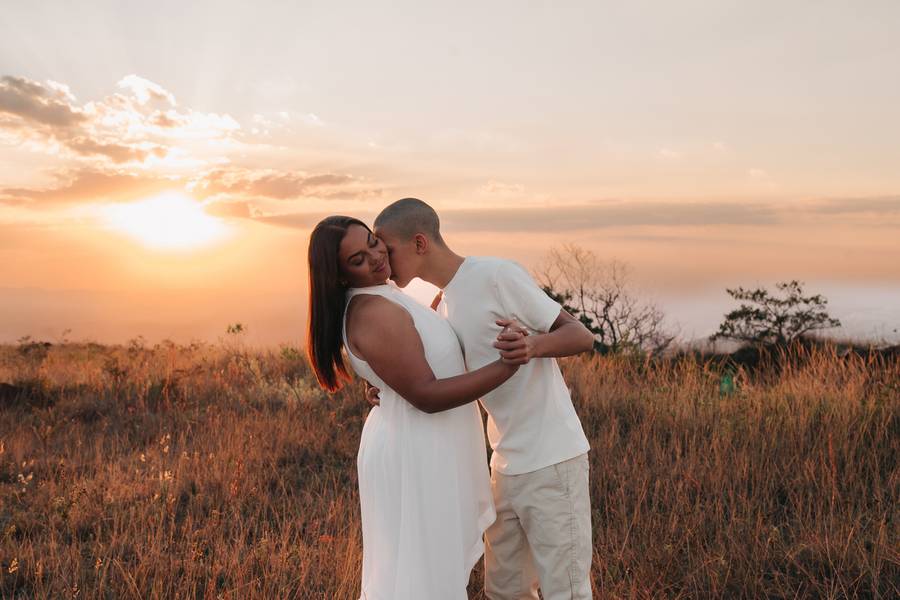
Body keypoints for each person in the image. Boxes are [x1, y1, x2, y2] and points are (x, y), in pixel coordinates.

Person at [370, 198, 596, 600]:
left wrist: (532, 345)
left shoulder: (495, 275)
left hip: (553, 459)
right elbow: (437, 381)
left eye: (387, 249)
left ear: (419, 243)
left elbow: (580, 335)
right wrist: (386, 387)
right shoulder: (440, 307)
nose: (382, 261)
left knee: (568, 591)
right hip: (503, 467)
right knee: (504, 592)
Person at [306, 215, 525, 600]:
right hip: (417, 449)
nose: (375, 256)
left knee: (422, 569)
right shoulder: (374, 312)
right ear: (339, 275)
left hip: (419, 440)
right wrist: (508, 366)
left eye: (373, 242)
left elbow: (408, 362)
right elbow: (427, 395)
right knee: (422, 576)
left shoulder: (384, 296)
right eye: (357, 259)